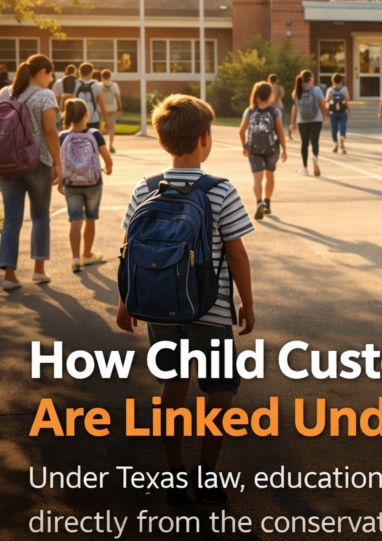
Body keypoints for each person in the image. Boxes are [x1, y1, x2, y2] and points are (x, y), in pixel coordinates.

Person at [116, 94, 255, 507]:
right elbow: (236, 253)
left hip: (159, 304)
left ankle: (174, 474)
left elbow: (128, 248)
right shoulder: (221, 190)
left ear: (163, 142)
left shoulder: (144, 187)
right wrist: (247, 303)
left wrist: (126, 301)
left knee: (173, 384)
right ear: (205, 139)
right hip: (210, 310)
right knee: (219, 389)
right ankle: (207, 475)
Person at [0, 55, 62, 291]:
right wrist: (58, 163)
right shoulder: (45, 95)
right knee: (40, 215)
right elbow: (51, 132)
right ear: (42, 71)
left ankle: (9, 275)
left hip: (7, 163)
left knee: (11, 217)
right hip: (37, 162)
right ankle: (38, 270)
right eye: (50, 75)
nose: (50, 80)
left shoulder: (5, 93)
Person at [58, 99, 113, 272]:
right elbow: (107, 158)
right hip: (93, 183)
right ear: (86, 114)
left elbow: (59, 162)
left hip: (70, 183)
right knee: (90, 218)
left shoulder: (63, 136)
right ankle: (87, 255)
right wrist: (108, 169)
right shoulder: (95, 134)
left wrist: (60, 180)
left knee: (75, 219)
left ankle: (75, 258)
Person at [239, 81, 287, 221]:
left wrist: (244, 146)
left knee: (257, 177)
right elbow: (280, 132)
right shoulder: (275, 112)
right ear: (271, 95)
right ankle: (267, 202)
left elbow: (241, 131)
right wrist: (284, 149)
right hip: (271, 149)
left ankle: (259, 201)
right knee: (270, 176)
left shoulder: (249, 111)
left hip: (253, 149)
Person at [290, 70, 328, 177]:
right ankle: (315, 157)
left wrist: (292, 122)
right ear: (310, 79)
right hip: (316, 119)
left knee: (304, 143)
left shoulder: (297, 90)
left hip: (302, 120)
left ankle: (305, 168)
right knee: (315, 141)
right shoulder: (316, 89)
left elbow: (295, 107)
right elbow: (322, 103)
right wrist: (326, 116)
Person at [74, 62, 108, 132]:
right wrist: (106, 121)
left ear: (79, 72)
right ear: (92, 72)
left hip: (77, 119)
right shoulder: (97, 85)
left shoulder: (75, 83)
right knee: (94, 141)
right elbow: (102, 105)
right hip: (94, 119)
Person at [326, 73, 351, 154]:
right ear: (342, 80)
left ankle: (335, 143)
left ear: (332, 80)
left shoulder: (330, 90)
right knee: (342, 127)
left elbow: (327, 100)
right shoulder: (344, 89)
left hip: (332, 112)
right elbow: (347, 99)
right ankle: (342, 145)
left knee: (334, 129)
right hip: (343, 112)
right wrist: (349, 110)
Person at [99, 69, 122, 153]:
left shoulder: (99, 85)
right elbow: (118, 97)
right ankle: (111, 145)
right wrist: (120, 108)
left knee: (100, 128)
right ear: (110, 76)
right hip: (113, 108)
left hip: (101, 109)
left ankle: (101, 145)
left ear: (102, 77)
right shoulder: (114, 85)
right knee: (111, 128)